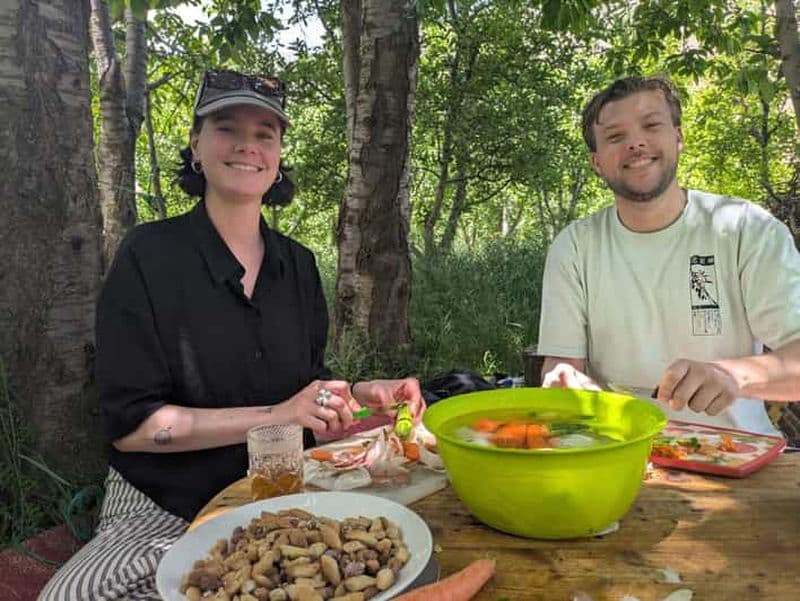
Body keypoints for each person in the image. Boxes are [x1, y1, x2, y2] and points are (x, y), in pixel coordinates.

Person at [39, 68, 425, 601]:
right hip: (165, 500)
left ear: (278, 155)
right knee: (73, 597)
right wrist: (278, 417)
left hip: (284, 486)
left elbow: (307, 384)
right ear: (196, 145)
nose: (247, 145)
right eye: (227, 127)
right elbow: (132, 427)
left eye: (265, 133)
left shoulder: (300, 265)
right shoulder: (148, 255)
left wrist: (358, 397)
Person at [537, 75, 800, 434]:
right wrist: (561, 380)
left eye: (651, 125)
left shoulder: (747, 229)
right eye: (616, 136)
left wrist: (731, 377)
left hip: (738, 456)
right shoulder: (574, 247)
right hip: (618, 455)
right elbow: (561, 366)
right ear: (596, 163)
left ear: (678, 138)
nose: (636, 143)